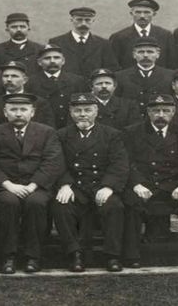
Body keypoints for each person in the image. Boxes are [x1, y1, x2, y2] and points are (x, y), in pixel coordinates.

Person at [0, 93, 64, 274]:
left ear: (32, 112)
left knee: (36, 203)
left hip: (36, 185)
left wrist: (33, 185)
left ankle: (33, 256)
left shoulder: (47, 132)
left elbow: (52, 162)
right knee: (8, 203)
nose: (18, 114)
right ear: (5, 112)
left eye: (23, 110)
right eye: (13, 109)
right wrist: (8, 185)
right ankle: (8, 256)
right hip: (6, 185)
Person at [121, 94, 178, 267]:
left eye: (165, 110)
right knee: (131, 202)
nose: (160, 114)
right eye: (156, 110)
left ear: (173, 112)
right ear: (148, 112)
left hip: (174, 185)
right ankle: (132, 255)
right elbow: (125, 163)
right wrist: (136, 184)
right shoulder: (131, 132)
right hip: (145, 184)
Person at [52, 94, 129, 273]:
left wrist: (108, 186)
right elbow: (55, 162)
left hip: (100, 185)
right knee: (61, 206)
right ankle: (75, 254)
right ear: (71, 113)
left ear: (96, 111)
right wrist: (64, 184)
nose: (83, 114)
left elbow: (119, 163)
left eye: (87, 110)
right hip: (74, 186)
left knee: (114, 206)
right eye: (78, 110)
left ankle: (112, 255)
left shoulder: (112, 134)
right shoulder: (61, 135)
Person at [25, 44, 87, 130]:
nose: (52, 61)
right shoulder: (31, 82)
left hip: (71, 128)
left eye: (56, 57)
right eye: (47, 58)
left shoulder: (76, 81)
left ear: (63, 61)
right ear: (39, 62)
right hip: (42, 129)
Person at [108, 0, 176, 70]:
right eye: (138, 12)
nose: (142, 16)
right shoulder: (119, 37)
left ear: (154, 14)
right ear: (131, 13)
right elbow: (113, 66)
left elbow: (172, 64)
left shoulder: (165, 36)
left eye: (146, 12)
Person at [48, 7, 118, 76]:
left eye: (87, 20)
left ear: (93, 21)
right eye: (79, 20)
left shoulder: (103, 44)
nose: (83, 23)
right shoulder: (57, 42)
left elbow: (112, 68)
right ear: (71, 20)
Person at [114, 38, 174, 110]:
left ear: (158, 54)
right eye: (141, 52)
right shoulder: (120, 76)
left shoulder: (169, 76)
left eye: (150, 52)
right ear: (134, 54)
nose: (145, 55)